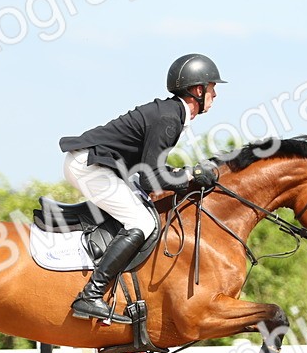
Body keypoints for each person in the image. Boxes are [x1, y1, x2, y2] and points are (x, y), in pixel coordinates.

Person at [59, 53, 225, 322]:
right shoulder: (169, 118)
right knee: (142, 222)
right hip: (89, 166)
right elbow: (150, 179)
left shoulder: (171, 114)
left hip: (101, 165)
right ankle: (91, 295)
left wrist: (184, 174)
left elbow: (151, 169)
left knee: (143, 212)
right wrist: (190, 177)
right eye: (212, 88)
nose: (215, 95)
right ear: (198, 90)